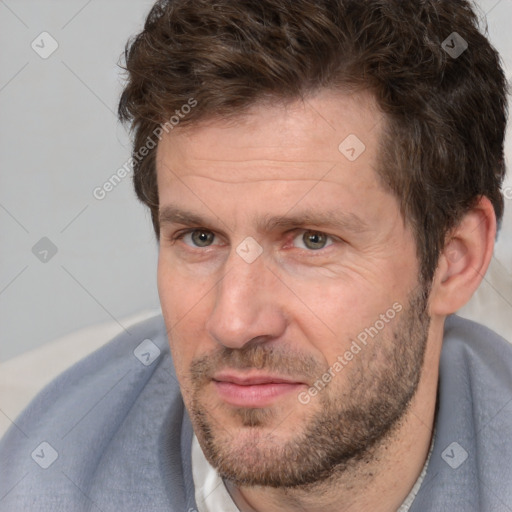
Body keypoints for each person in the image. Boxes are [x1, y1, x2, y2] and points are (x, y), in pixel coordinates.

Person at [0, 0, 510, 510]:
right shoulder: (32, 472)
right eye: (200, 237)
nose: (234, 322)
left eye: (312, 240)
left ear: (454, 260)